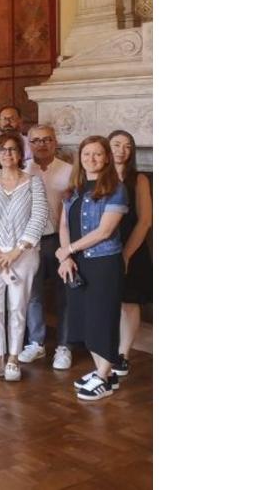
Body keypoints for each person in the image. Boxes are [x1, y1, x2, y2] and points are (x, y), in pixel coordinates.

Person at [56, 136, 129, 401]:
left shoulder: (116, 188)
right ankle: (103, 373)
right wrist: (65, 258)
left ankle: (104, 377)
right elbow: (64, 225)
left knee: (102, 318)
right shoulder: (73, 189)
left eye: (97, 154)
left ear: (107, 157)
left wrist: (69, 249)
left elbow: (105, 231)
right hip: (77, 263)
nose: (91, 159)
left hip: (103, 263)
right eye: (86, 154)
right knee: (85, 319)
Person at [0, 132, 48, 382]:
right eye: (2, 150)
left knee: (18, 306)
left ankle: (13, 359)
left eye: (13, 149)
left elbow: (39, 218)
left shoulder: (34, 182)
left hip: (23, 254)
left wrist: (15, 252)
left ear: (20, 154)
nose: (8, 154)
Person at [19, 125, 75, 369]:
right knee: (33, 295)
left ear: (55, 142)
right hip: (30, 242)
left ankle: (64, 346)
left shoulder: (70, 171)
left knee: (65, 295)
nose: (41, 144)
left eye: (47, 139)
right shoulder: (22, 171)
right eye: (36, 140)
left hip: (60, 241)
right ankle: (36, 342)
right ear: (29, 144)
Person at [109, 129, 152, 378]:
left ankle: (123, 354)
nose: (121, 150)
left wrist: (126, 254)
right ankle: (106, 349)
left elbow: (145, 221)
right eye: (116, 144)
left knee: (129, 301)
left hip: (131, 246)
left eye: (127, 146)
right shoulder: (97, 176)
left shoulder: (139, 179)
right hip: (103, 246)